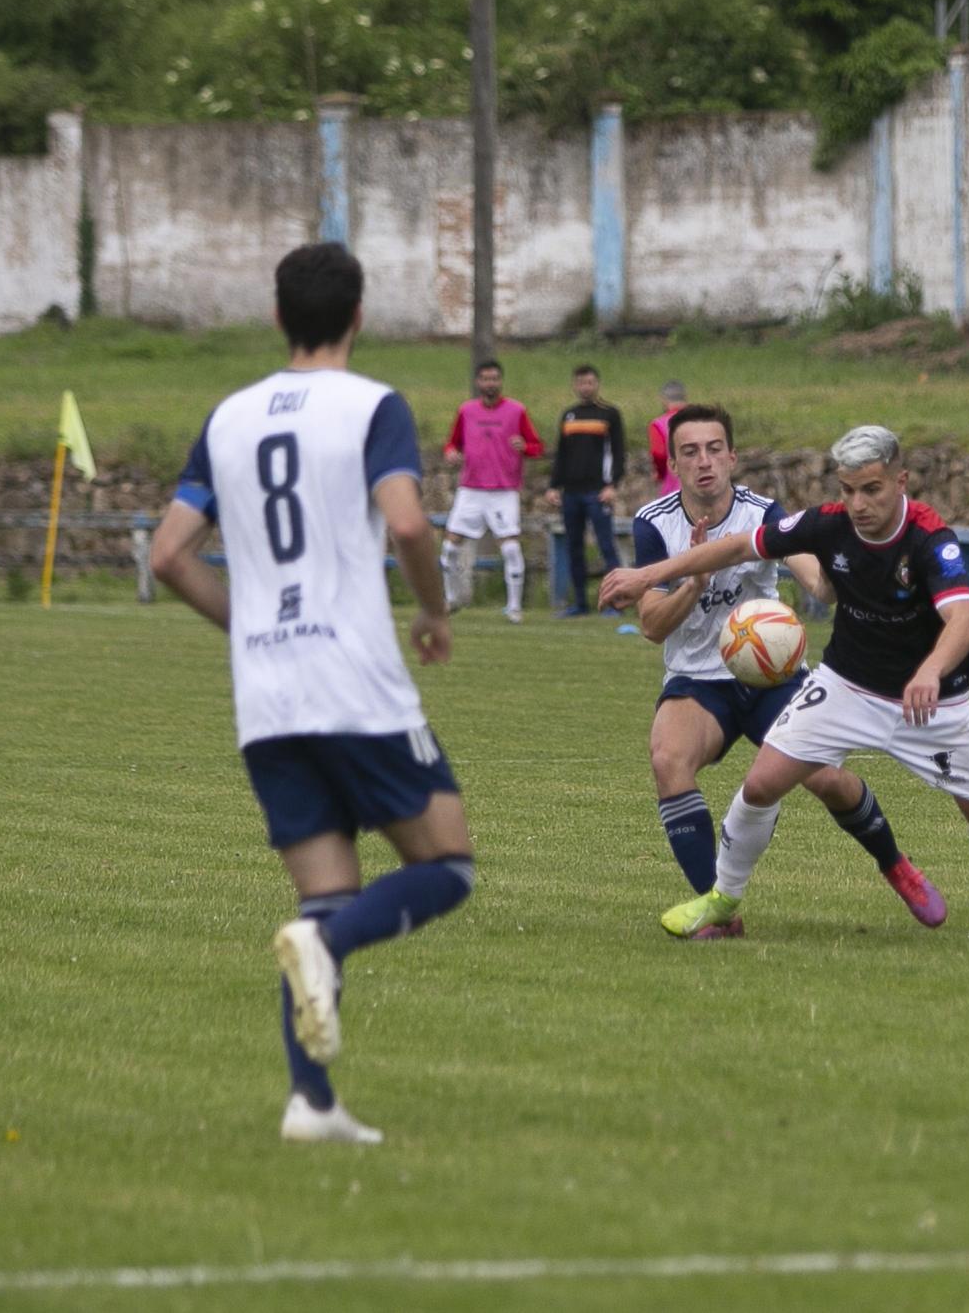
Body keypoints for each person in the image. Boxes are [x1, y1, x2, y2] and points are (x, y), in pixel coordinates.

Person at [148, 242, 476, 1145]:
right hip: (355, 684)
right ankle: (328, 960)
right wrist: (434, 611)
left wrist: (247, 625)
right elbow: (407, 519)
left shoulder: (227, 417)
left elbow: (168, 554)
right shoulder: (374, 406)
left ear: (277, 317)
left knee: (323, 895)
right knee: (446, 866)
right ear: (360, 315)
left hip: (268, 697)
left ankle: (312, 1102)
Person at [602, 424, 969, 940]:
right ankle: (721, 900)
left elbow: (964, 620)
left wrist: (929, 671)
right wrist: (648, 576)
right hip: (846, 688)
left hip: (933, 702)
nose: (857, 504)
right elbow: (737, 548)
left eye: (871, 489)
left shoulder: (929, 540)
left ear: (901, 481)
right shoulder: (828, 524)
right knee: (761, 784)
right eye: (847, 490)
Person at [632, 405, 946, 936]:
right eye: (690, 452)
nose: (704, 462)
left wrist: (844, 567)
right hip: (698, 681)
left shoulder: (763, 513)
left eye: (714, 449)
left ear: (731, 457)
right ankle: (717, 908)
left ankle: (897, 866)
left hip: (774, 678)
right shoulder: (654, 523)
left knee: (828, 780)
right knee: (668, 760)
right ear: (674, 463)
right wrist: (693, 584)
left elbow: (818, 583)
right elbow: (651, 626)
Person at [441, 358, 543, 623]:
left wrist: (526, 447)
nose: (490, 383)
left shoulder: (516, 411)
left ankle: (513, 607)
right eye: (485, 379)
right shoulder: (466, 411)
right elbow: (452, 444)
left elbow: (536, 446)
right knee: (450, 549)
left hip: (503, 490)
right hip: (471, 490)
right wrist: (451, 453)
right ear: (478, 382)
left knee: (510, 549)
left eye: (494, 378)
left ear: (501, 381)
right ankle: (451, 598)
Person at [544, 363, 625, 618]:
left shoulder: (609, 414)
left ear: (597, 384)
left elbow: (619, 452)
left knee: (606, 547)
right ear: (575, 385)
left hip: (597, 492)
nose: (585, 387)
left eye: (590, 382)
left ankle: (615, 603)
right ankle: (580, 603)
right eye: (581, 383)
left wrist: (613, 485)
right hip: (571, 493)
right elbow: (562, 454)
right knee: (574, 547)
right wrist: (554, 486)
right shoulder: (569, 415)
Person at [648, 380, 687, 497]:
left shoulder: (658, 424)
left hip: (673, 488)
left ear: (664, 400)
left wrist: (660, 474)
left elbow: (659, 454)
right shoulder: (702, 420)